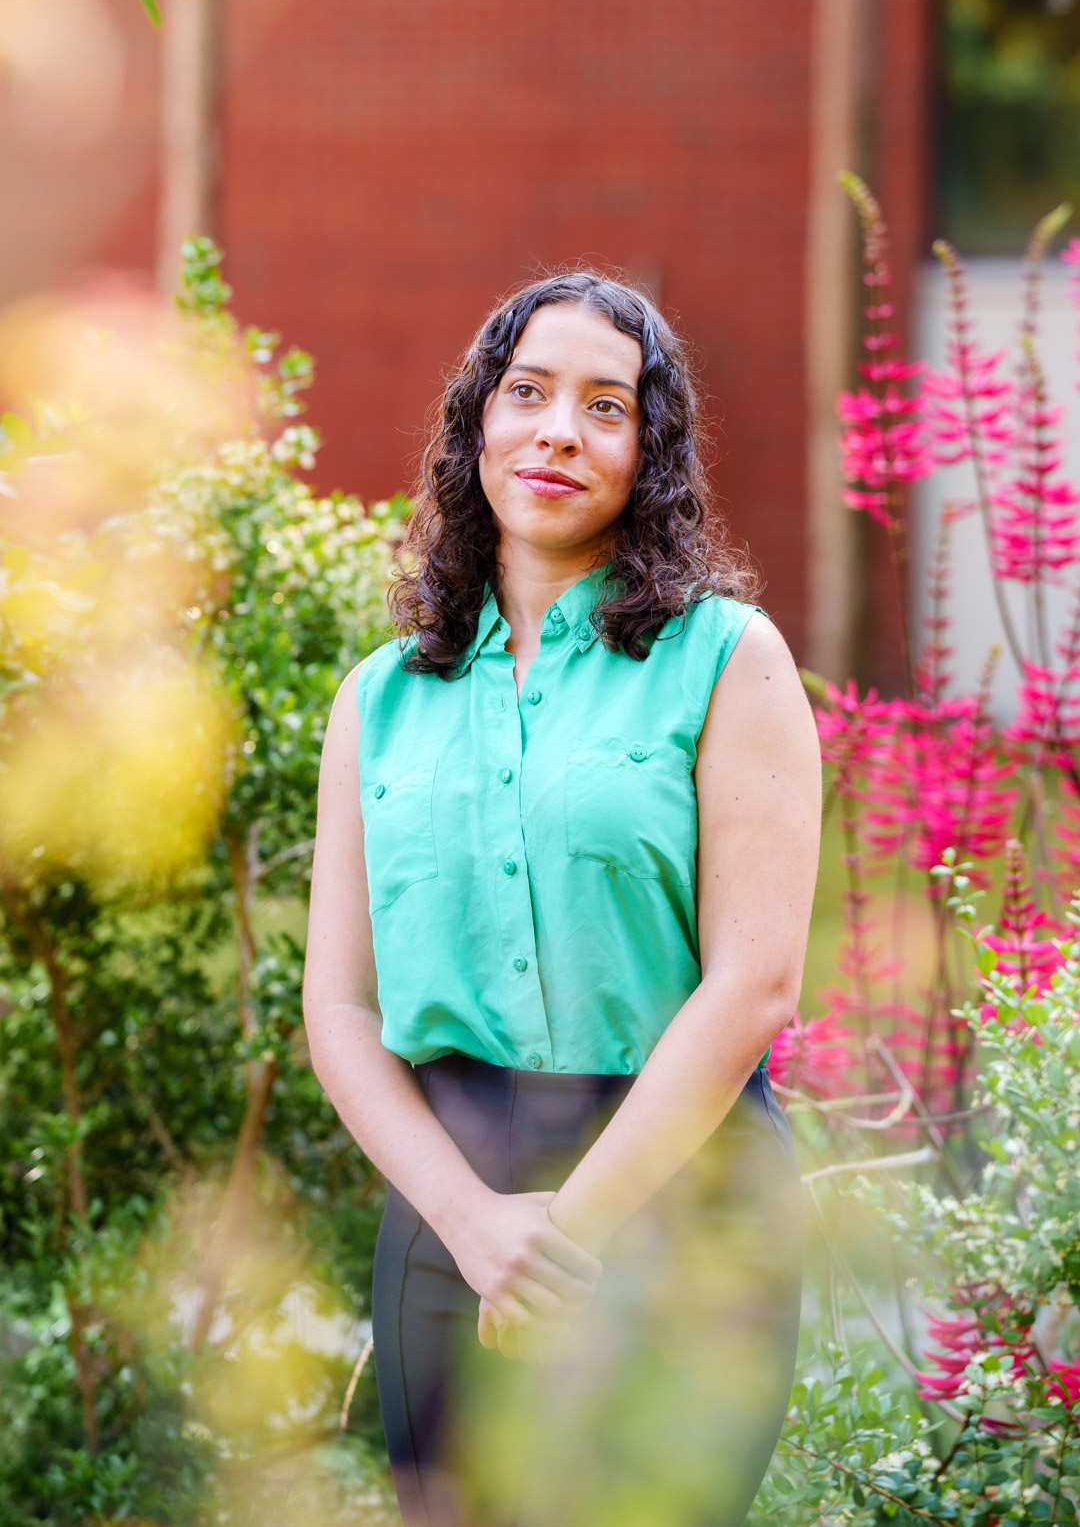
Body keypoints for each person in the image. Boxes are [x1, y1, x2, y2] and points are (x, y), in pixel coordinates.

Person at [303, 272, 821, 1527]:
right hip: (450, 1205)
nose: (557, 432)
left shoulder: (729, 658)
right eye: (528, 393)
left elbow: (756, 980)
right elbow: (342, 1006)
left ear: (649, 452)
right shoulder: (377, 696)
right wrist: (475, 1225)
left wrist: (559, 1234)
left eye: (606, 405)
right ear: (477, 420)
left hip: (679, 1195)